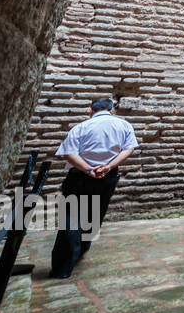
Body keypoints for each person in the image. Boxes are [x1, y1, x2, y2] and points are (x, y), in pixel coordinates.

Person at [49, 97, 137, 278]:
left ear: (90, 111)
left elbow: (69, 153)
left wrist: (89, 170)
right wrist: (109, 166)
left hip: (80, 177)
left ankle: (63, 269)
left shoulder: (81, 127)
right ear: (112, 110)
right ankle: (80, 250)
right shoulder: (124, 125)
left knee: (72, 218)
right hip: (108, 178)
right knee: (95, 214)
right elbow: (128, 149)